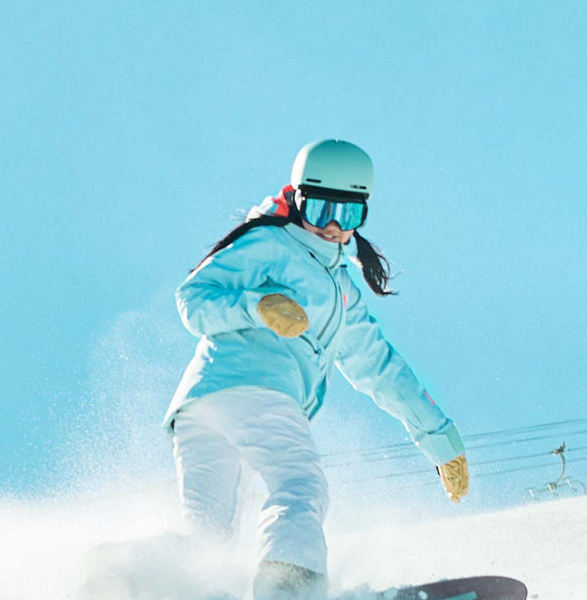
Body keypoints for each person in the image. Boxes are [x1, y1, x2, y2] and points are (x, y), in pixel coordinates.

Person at [167, 139, 471, 599]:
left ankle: (145, 581)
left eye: (347, 214)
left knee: (208, 534)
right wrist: (257, 306)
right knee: (299, 485)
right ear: (296, 199)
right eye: (321, 208)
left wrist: (439, 440)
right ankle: (290, 592)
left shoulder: (341, 292)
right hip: (256, 390)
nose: (332, 225)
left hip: (198, 407)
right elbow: (193, 298)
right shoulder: (269, 242)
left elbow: (381, 369)